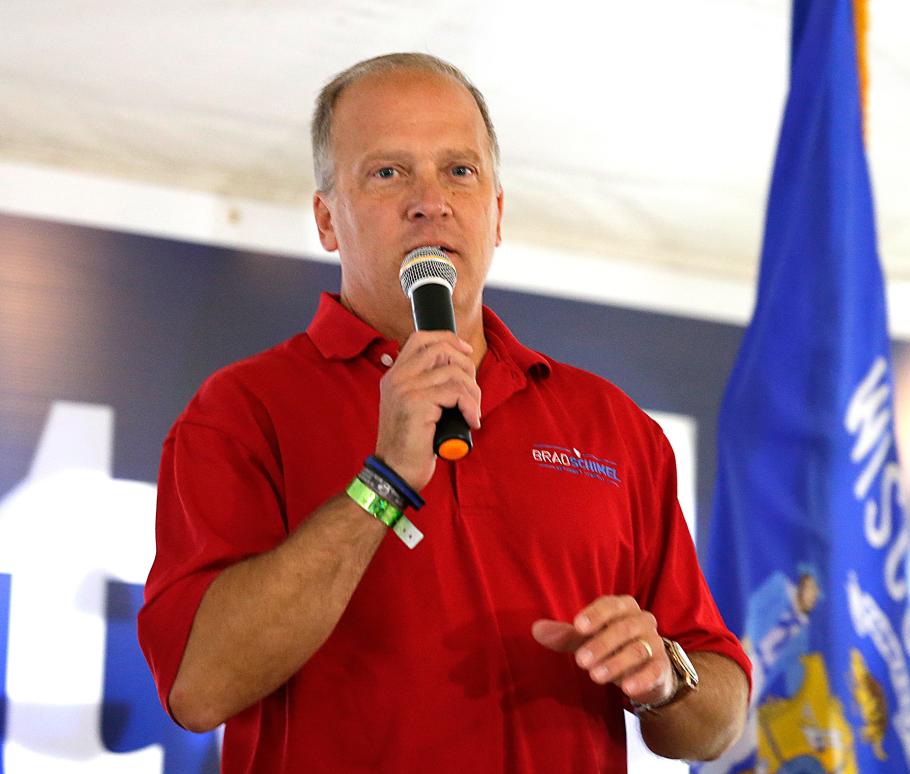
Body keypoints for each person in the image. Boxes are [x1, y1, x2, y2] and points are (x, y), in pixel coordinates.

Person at [139, 53, 750, 772]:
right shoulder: (242, 411)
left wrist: (664, 675)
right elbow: (199, 687)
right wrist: (385, 481)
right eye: (388, 173)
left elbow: (719, 719)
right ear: (326, 220)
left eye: (460, 171)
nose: (431, 200)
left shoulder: (611, 427)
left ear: (497, 213)